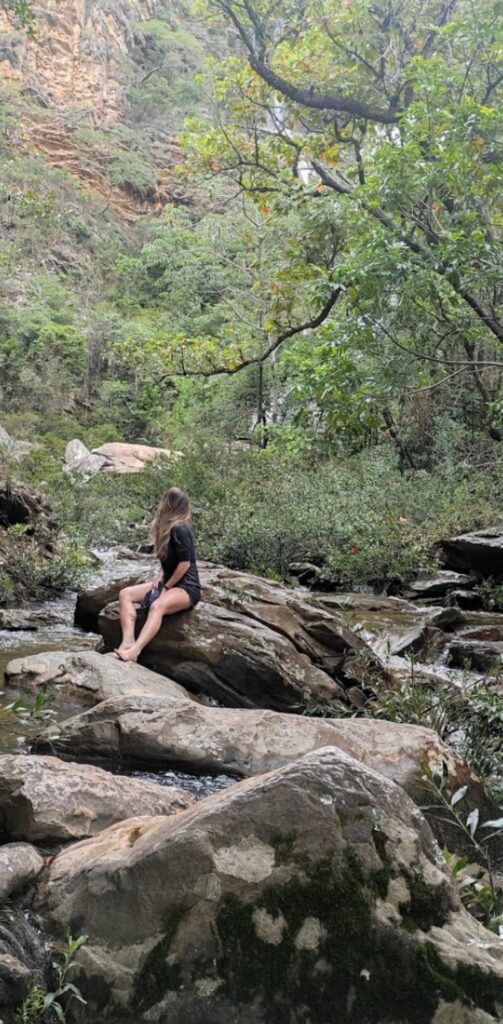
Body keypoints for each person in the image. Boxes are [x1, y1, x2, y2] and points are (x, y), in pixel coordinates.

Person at [114, 486, 200, 662]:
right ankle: (127, 641)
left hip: (187, 587)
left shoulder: (181, 529)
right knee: (126, 594)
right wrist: (160, 578)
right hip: (169, 582)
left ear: (168, 504)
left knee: (157, 606)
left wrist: (166, 588)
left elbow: (185, 564)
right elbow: (168, 561)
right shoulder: (167, 529)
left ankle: (136, 650)